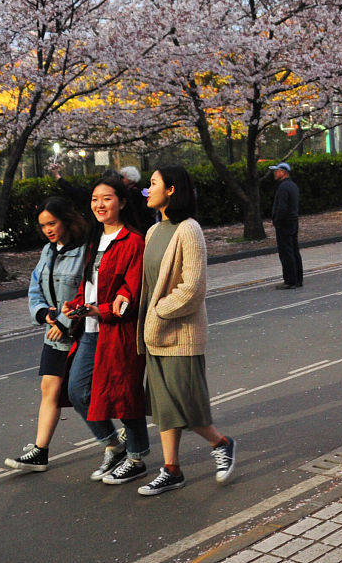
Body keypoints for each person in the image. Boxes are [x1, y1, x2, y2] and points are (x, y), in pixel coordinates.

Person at [135, 165, 237, 496]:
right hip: (153, 335)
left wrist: (159, 312)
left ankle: (221, 443)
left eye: (153, 183)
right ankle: (172, 469)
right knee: (165, 408)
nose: (148, 189)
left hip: (180, 334)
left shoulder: (189, 230)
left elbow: (192, 288)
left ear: (171, 189)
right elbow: (149, 283)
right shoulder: (153, 231)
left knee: (188, 405)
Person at [64, 175, 150, 486]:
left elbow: (131, 292)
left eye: (107, 198)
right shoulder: (94, 239)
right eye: (95, 199)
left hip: (118, 331)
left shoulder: (133, 241)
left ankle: (136, 458)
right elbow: (89, 284)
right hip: (89, 329)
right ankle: (114, 446)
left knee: (124, 394)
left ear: (122, 202)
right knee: (77, 391)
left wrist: (102, 311)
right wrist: (75, 305)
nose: (99, 205)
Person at [4, 197, 88, 473]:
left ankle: (123, 437)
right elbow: (35, 287)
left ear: (66, 219)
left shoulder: (85, 251)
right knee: (48, 389)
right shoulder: (48, 251)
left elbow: (86, 294)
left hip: (82, 333)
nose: (48, 230)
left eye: (52, 223)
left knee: (86, 392)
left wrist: (63, 322)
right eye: (43, 226)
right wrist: (43, 313)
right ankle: (40, 451)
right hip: (54, 335)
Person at [270, 162, 303, 289]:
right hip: (293, 221)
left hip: (284, 223)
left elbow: (282, 207)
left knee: (286, 252)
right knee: (294, 250)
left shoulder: (283, 187)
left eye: (276, 171)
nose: (275, 173)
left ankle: (290, 280)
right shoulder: (293, 186)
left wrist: (277, 221)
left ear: (283, 172)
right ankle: (298, 279)